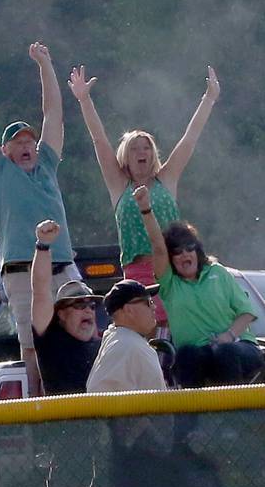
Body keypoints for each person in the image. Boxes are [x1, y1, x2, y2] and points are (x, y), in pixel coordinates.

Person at [0, 45, 80, 395]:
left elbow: (53, 113)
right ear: (5, 151)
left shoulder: (47, 164)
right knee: (33, 345)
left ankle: (83, 402)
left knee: (82, 329)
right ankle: (40, 409)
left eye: (30, 139)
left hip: (63, 265)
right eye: (18, 142)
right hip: (22, 271)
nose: (27, 144)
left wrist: (46, 64)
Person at [68, 65, 220, 308]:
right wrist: (84, 100)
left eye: (146, 147)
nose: (142, 152)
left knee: (176, 330)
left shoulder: (166, 179)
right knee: (146, 331)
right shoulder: (119, 185)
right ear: (125, 156)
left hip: (174, 268)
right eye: (135, 148)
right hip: (138, 273)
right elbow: (99, 140)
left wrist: (209, 98)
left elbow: (189, 139)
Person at [86, 278, 176, 487]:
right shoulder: (125, 344)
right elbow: (99, 393)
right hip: (136, 458)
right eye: (144, 302)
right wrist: (140, 434)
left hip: (142, 455)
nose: (152, 307)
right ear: (124, 311)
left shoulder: (127, 341)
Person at [135, 186, 261, 387]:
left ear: (198, 250)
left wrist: (228, 336)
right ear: (171, 258)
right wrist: (145, 209)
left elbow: (247, 313)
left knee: (224, 353)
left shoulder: (218, 273)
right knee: (185, 355)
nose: (185, 254)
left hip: (238, 347)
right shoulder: (170, 284)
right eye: (177, 251)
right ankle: (190, 417)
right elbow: (158, 247)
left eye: (189, 248)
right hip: (199, 352)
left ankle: (234, 416)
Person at [29, 221, 103, 395]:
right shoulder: (51, 340)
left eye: (91, 306)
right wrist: (43, 245)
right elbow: (40, 291)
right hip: (65, 421)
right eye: (79, 304)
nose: (88, 310)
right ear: (61, 313)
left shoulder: (104, 346)